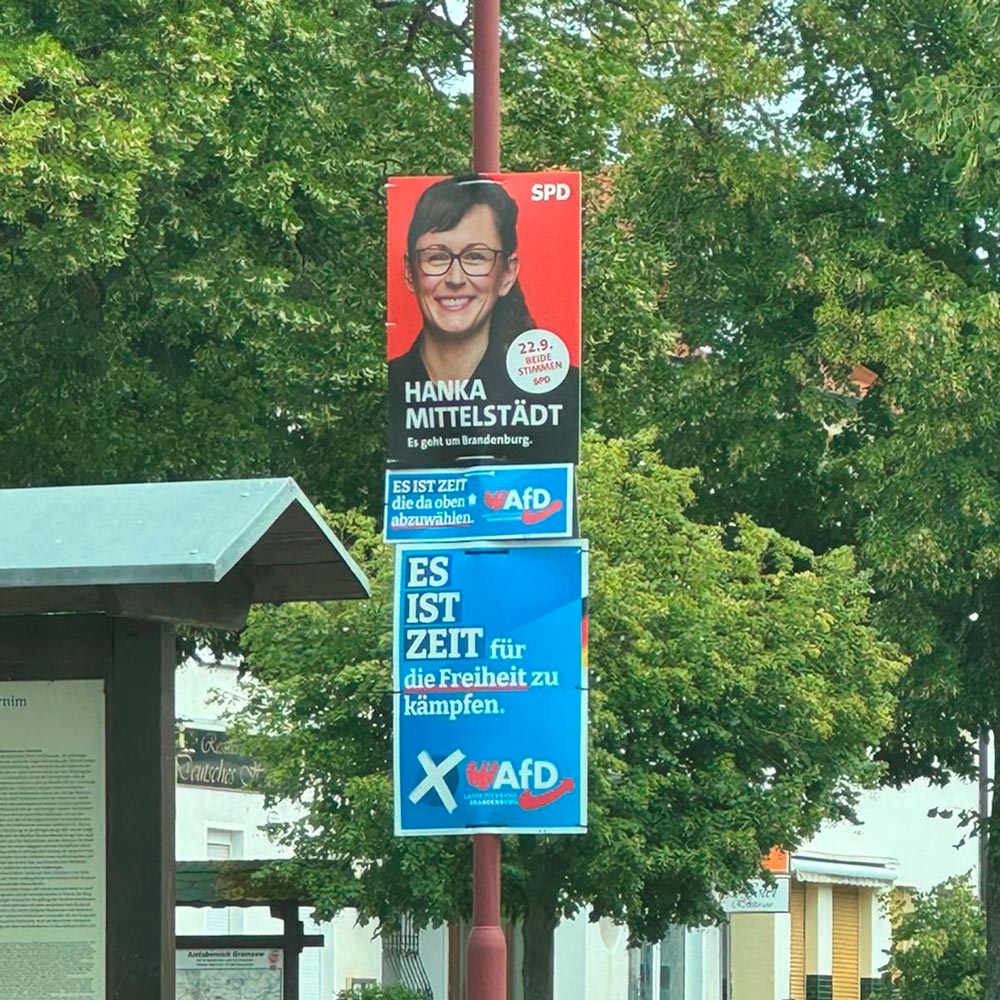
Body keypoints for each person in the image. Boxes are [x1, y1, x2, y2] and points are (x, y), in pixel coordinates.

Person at [388, 173, 579, 467]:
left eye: (476, 257)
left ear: (507, 273)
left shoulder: (556, 391)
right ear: (410, 271)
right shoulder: (391, 390)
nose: (454, 279)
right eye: (436, 257)